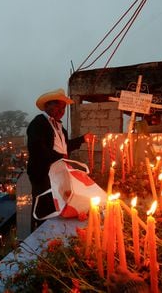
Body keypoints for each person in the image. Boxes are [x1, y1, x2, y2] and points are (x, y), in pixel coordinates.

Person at [27, 88, 94, 230]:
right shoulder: (38, 123)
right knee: (44, 206)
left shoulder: (60, 128)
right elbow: (38, 149)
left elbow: (66, 147)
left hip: (59, 173)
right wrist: (61, 159)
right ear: (47, 106)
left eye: (63, 108)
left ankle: (55, 233)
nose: (61, 111)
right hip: (43, 173)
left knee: (59, 203)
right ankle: (40, 237)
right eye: (57, 106)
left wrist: (82, 139)